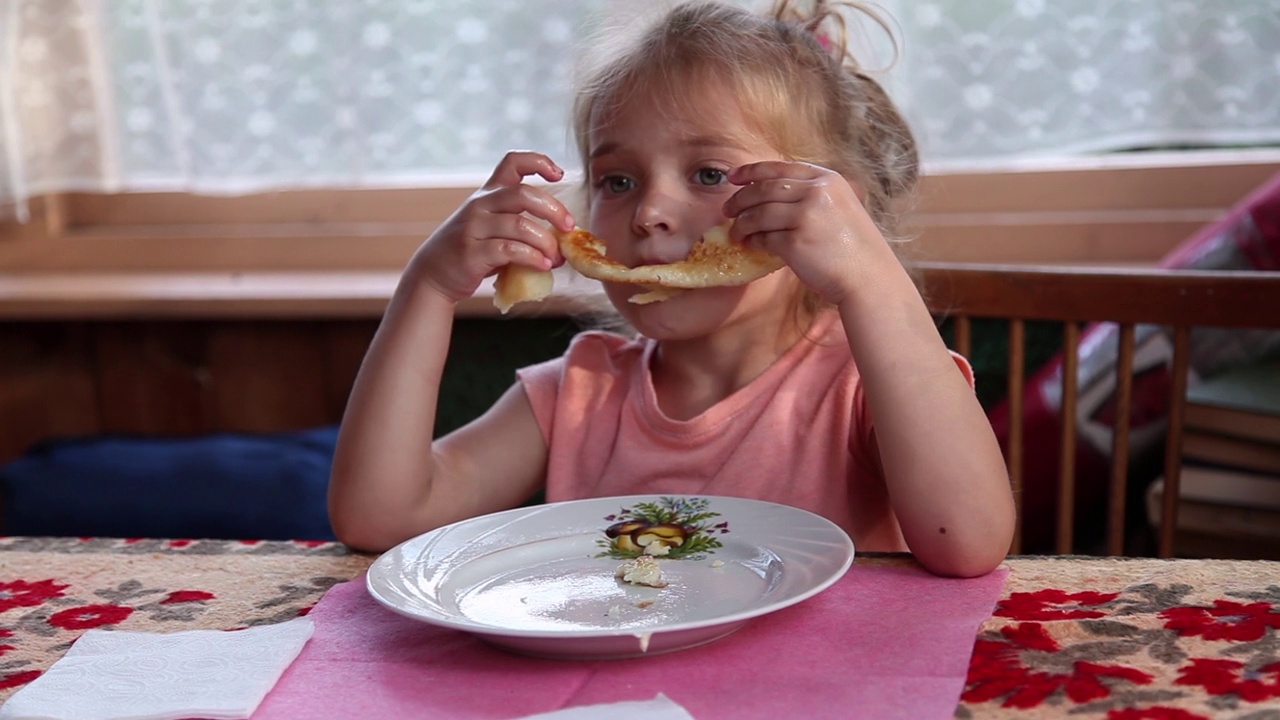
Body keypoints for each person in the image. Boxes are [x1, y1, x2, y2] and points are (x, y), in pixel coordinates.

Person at [328, 0, 1015, 577]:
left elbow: (969, 541)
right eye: (618, 181)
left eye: (709, 175)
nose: (649, 211)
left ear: (829, 209)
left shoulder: (865, 387)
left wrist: (869, 278)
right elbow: (379, 516)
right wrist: (427, 288)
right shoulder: (580, 393)